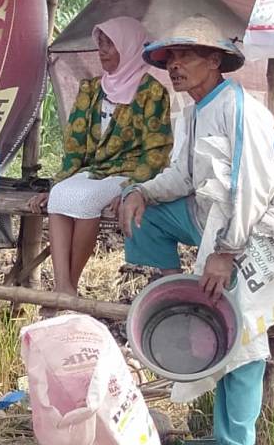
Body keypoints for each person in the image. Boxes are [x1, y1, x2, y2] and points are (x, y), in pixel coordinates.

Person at [118, 15, 274, 445]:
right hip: (207, 220)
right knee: (141, 217)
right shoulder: (192, 112)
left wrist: (226, 254)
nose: (175, 66)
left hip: (256, 231)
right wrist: (141, 191)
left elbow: (252, 187)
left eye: (187, 55)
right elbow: (184, 177)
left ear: (214, 60)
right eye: (170, 58)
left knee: (243, 334)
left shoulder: (239, 108)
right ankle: (178, 292)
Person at [29, 16, 173, 310]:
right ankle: (63, 287)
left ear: (129, 47)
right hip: (94, 169)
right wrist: (60, 182)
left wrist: (133, 188)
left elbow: (156, 151)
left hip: (128, 171)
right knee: (60, 196)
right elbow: (75, 145)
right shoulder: (92, 89)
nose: (102, 51)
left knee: (85, 200)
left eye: (110, 44)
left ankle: (69, 286)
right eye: (100, 44)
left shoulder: (152, 92)